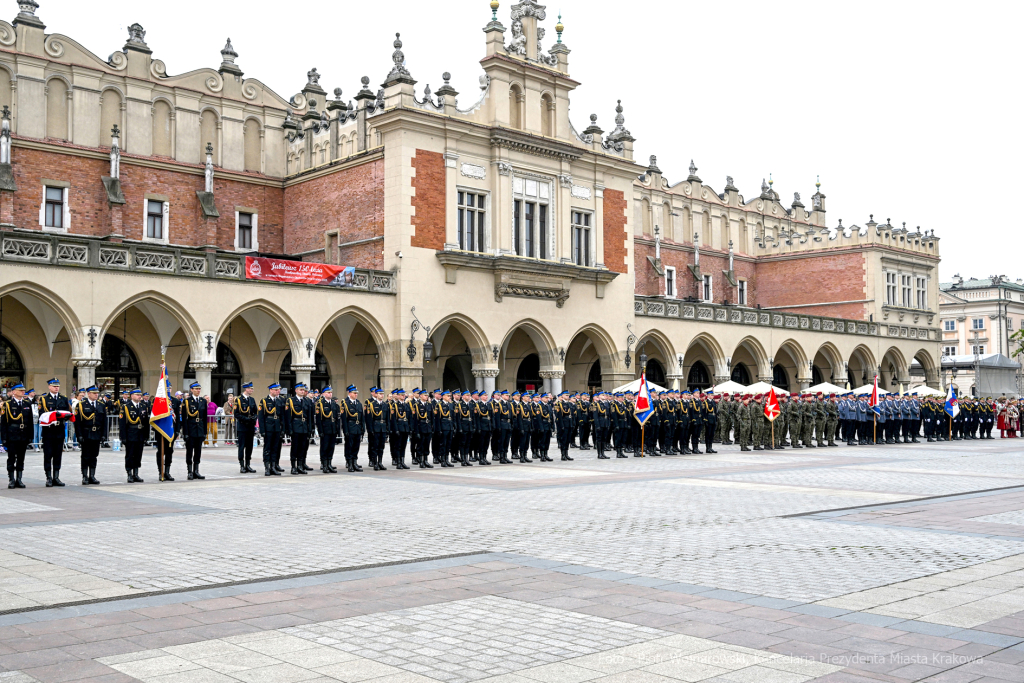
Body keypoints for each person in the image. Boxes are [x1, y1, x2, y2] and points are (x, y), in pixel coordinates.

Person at [38, 378, 71, 486]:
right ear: (49, 387)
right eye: (54, 386)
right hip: (49, 431)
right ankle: (48, 477)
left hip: (59, 430)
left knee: (58, 454)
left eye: (58, 386)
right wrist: (53, 416)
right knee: (48, 454)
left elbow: (67, 411)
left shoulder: (63, 398)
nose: (56, 388)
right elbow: (42, 414)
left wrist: (66, 417)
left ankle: (56, 477)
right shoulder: (44, 399)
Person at [2, 383, 33, 488]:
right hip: (12, 434)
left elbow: (30, 421)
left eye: (23, 390)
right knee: (11, 458)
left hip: (23, 434)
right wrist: (4, 438)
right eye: (20, 390)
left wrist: (30, 436)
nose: (23, 392)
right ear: (14, 392)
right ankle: (11, 479)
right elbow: (4, 423)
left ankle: (19, 479)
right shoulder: (7, 404)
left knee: (21, 458)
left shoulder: (27, 404)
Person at [74, 386, 106, 485]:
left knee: (94, 456)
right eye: (94, 393)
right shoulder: (81, 405)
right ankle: (85, 476)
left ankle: (92, 476)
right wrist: (79, 435)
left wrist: (104, 435)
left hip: (97, 433)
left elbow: (104, 421)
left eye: (97, 393)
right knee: (85, 456)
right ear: (89, 394)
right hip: (86, 433)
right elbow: (78, 422)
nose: (97, 395)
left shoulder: (101, 405)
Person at [119, 388, 148, 483]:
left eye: (140, 395)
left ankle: (136, 474)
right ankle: (129, 474)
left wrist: (146, 435)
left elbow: (146, 423)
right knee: (130, 455)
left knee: (138, 455)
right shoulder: (126, 407)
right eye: (137, 395)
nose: (139, 396)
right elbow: (122, 424)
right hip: (131, 434)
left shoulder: (144, 406)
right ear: (132, 396)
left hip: (140, 434)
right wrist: (123, 437)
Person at [180, 383, 208, 480]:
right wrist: (185, 433)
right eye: (196, 389)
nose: (198, 390)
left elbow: (205, 418)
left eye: (199, 389)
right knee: (189, 451)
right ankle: (189, 471)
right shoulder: (187, 401)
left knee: (198, 451)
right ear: (191, 390)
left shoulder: (203, 401)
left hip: (199, 429)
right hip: (191, 429)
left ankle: (196, 471)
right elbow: (184, 419)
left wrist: (205, 432)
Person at [284, 382, 313, 475]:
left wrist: (310, 429)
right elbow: (288, 417)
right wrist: (289, 429)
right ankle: (293, 466)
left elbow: (310, 416)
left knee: (302, 448)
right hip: (295, 426)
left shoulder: (307, 401)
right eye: (300, 390)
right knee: (295, 448)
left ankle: (300, 466)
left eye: (303, 390)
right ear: (296, 390)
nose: (302, 391)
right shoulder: (291, 401)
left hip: (304, 427)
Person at [258, 383, 285, 475]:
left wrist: (283, 429)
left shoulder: (279, 401)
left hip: (277, 427)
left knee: (275, 448)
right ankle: (267, 467)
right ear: (271, 390)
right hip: (268, 427)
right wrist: (262, 430)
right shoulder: (264, 401)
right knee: (267, 448)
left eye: (279, 390)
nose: (278, 391)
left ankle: (273, 467)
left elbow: (282, 416)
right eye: (276, 390)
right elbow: (261, 417)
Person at [315, 386, 342, 472]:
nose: (330, 394)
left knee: (331, 447)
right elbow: (319, 419)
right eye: (328, 392)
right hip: (325, 429)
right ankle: (324, 464)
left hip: (333, 428)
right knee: (324, 447)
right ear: (323, 394)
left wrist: (338, 429)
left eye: (331, 392)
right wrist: (320, 431)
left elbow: (337, 418)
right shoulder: (320, 404)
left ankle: (329, 463)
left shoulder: (334, 404)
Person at [234, 382, 258, 473]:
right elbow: (236, 414)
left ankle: (248, 464)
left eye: (252, 389)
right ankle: (242, 465)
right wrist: (246, 419)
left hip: (250, 426)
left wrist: (254, 418)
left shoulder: (252, 399)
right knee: (242, 446)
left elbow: (255, 411)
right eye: (250, 388)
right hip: (242, 426)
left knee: (249, 446)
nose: (252, 390)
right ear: (246, 389)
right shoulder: (239, 400)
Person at [341, 385, 365, 472]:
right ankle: (349, 463)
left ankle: (355, 462)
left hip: (358, 428)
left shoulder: (358, 403)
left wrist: (363, 428)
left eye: (357, 393)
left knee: (356, 446)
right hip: (350, 427)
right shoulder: (345, 403)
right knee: (349, 446)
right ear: (349, 393)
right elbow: (344, 419)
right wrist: (345, 430)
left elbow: (362, 417)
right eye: (354, 393)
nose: (356, 395)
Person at [364, 387, 388, 471]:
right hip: (375, 427)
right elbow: (369, 419)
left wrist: (387, 429)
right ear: (376, 394)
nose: (382, 395)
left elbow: (387, 418)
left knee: (381, 446)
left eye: (382, 394)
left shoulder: (385, 405)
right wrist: (370, 430)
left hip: (383, 428)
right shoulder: (371, 404)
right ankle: (375, 463)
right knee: (375, 446)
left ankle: (380, 462)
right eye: (380, 394)